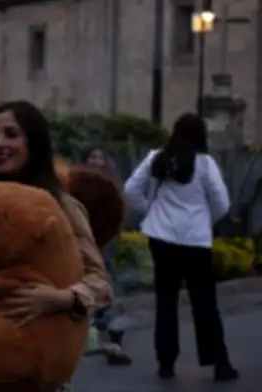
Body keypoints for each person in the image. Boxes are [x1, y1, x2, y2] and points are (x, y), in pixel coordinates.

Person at [0, 101, 113, 392]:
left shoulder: (60, 205)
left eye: (11, 134)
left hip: (34, 368)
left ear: (34, 142)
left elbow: (100, 283)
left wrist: (61, 298)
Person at [123, 113, 238, 382]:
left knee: (166, 301)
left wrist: (148, 211)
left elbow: (130, 189)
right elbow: (222, 203)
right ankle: (219, 363)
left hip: (161, 239)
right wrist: (204, 220)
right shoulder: (206, 165)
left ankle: (166, 363)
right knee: (205, 304)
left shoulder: (156, 158)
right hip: (195, 242)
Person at [80, 145, 132, 366]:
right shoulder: (79, 183)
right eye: (92, 156)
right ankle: (89, 323)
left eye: (100, 156)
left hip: (105, 239)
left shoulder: (111, 185)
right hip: (85, 238)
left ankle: (105, 322)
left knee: (106, 277)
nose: (96, 161)